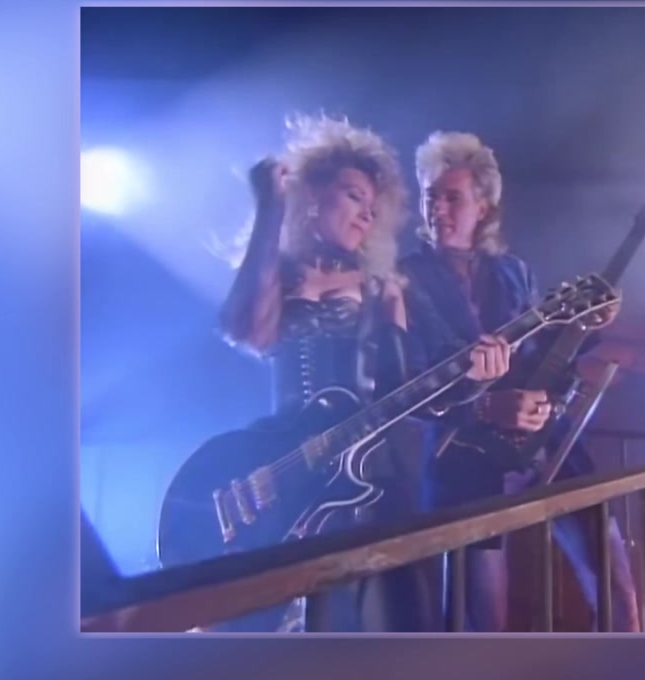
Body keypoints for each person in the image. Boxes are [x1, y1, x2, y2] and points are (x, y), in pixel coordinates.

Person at [217, 115, 512, 632]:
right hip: (283, 469)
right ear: (313, 196)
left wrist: (475, 379)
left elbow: (410, 386)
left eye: (373, 207)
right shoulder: (278, 273)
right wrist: (270, 209)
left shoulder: (385, 287)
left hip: (371, 479)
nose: (365, 214)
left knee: (377, 624)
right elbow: (247, 329)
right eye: (354, 196)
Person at [400, 131, 639, 632]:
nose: (437, 209)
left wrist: (586, 328)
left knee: (618, 588)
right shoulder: (405, 279)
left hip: (547, 442)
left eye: (452, 198)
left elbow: (543, 358)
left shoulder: (514, 273)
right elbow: (408, 383)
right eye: (430, 197)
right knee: (484, 620)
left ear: (484, 206)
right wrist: (485, 408)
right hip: (464, 459)